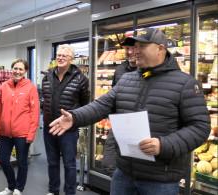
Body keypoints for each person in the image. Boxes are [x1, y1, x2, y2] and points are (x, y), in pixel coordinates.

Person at [49, 28, 211, 195]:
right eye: (135, 46)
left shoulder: (185, 84)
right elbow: (101, 106)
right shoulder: (127, 79)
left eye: (142, 46)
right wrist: (75, 117)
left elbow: (200, 127)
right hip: (125, 173)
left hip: (160, 178)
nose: (135, 51)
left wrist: (164, 145)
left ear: (160, 48)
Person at [41, 44, 90, 195]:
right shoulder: (47, 76)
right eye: (58, 55)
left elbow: (85, 105)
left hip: (68, 130)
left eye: (64, 56)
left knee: (69, 164)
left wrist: (74, 121)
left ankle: (70, 192)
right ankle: (53, 190)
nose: (60, 58)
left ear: (71, 59)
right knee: (52, 162)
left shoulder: (81, 79)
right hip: (49, 126)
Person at [0, 58, 40, 195]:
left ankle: (19, 188)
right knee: (2, 160)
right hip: (5, 133)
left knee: (22, 162)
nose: (17, 71)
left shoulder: (30, 87)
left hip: (22, 133)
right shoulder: (4, 86)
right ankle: (11, 186)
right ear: (12, 69)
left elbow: (35, 112)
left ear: (25, 71)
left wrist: (31, 133)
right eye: (15, 68)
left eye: (21, 69)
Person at [102, 40, 137, 177]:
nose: (129, 52)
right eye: (127, 48)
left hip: (138, 124)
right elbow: (112, 96)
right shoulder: (120, 69)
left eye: (133, 48)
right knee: (109, 162)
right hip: (120, 121)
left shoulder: (146, 70)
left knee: (135, 163)